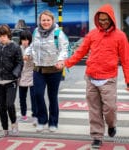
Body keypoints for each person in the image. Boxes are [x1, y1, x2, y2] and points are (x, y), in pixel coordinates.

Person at [55, 4, 129, 149]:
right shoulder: (92, 34)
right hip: (91, 77)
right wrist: (66, 63)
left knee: (110, 108)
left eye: (106, 20)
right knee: (94, 110)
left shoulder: (120, 36)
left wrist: (128, 80)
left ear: (112, 19)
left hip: (108, 79)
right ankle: (96, 136)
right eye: (100, 20)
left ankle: (111, 124)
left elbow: (126, 60)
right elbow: (80, 52)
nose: (103, 22)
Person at [25, 10, 69, 132]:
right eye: (43, 20)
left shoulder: (58, 33)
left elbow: (64, 48)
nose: (45, 22)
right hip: (38, 69)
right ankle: (42, 120)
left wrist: (61, 60)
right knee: (38, 94)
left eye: (48, 20)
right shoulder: (36, 32)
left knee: (52, 96)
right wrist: (27, 53)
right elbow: (32, 45)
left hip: (54, 70)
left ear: (52, 20)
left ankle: (53, 122)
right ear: (40, 21)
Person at [18, 30, 38, 126]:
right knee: (22, 97)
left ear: (30, 40)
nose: (25, 41)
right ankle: (23, 115)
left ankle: (35, 117)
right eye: (23, 40)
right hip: (21, 76)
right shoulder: (18, 49)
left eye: (27, 40)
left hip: (32, 75)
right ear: (20, 40)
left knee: (34, 97)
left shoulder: (32, 48)